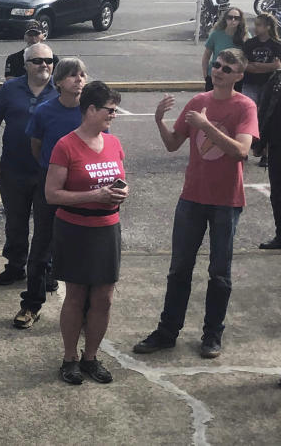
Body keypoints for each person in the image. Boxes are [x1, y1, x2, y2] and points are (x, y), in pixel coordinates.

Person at [134, 48, 258, 359]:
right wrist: (159, 119)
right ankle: (166, 331)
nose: (219, 71)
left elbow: (241, 152)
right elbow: (173, 144)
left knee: (219, 272)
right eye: (217, 65)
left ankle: (212, 335)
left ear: (239, 76)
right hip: (191, 198)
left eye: (227, 68)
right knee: (179, 270)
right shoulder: (197, 102)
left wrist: (206, 127)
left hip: (226, 202)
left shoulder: (245, 106)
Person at [46, 81, 128, 385]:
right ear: (91, 109)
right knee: (77, 295)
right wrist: (93, 197)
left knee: (104, 297)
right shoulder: (65, 145)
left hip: (107, 229)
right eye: (110, 109)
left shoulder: (114, 143)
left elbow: (120, 179)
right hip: (75, 230)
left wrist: (122, 191)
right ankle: (69, 358)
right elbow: (52, 194)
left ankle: (91, 357)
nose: (113, 115)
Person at [12, 57, 87, 329]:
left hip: (82, 184)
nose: (79, 80)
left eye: (82, 75)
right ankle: (31, 304)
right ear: (59, 83)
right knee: (42, 243)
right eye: (72, 76)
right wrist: (52, 172)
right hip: (52, 181)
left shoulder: (90, 111)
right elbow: (36, 146)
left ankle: (86, 308)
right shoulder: (45, 111)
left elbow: (101, 143)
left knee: (82, 247)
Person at [0, 43, 58, 285]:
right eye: (37, 61)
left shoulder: (60, 90)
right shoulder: (9, 89)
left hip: (49, 172)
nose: (44, 65)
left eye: (48, 60)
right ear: (26, 65)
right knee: (15, 222)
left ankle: (44, 268)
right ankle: (16, 265)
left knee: (46, 224)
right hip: (13, 170)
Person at [257, 67, 281, 249]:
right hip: (276, 143)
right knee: (278, 193)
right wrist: (259, 141)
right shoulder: (277, 79)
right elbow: (266, 110)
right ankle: (280, 236)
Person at [202, 8, 246, 92]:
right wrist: (206, 75)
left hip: (233, 78)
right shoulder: (216, 34)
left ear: (240, 21)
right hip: (216, 75)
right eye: (230, 17)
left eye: (236, 18)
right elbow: (206, 55)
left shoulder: (245, 37)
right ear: (225, 19)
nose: (233, 20)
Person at [241, 13, 281, 105]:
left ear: (268, 27)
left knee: (265, 111)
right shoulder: (249, 43)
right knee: (249, 107)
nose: (255, 27)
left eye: (259, 25)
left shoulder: (277, 45)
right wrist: (269, 67)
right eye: (255, 25)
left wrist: (257, 65)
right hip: (249, 83)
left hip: (269, 84)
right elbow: (244, 65)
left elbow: (278, 66)